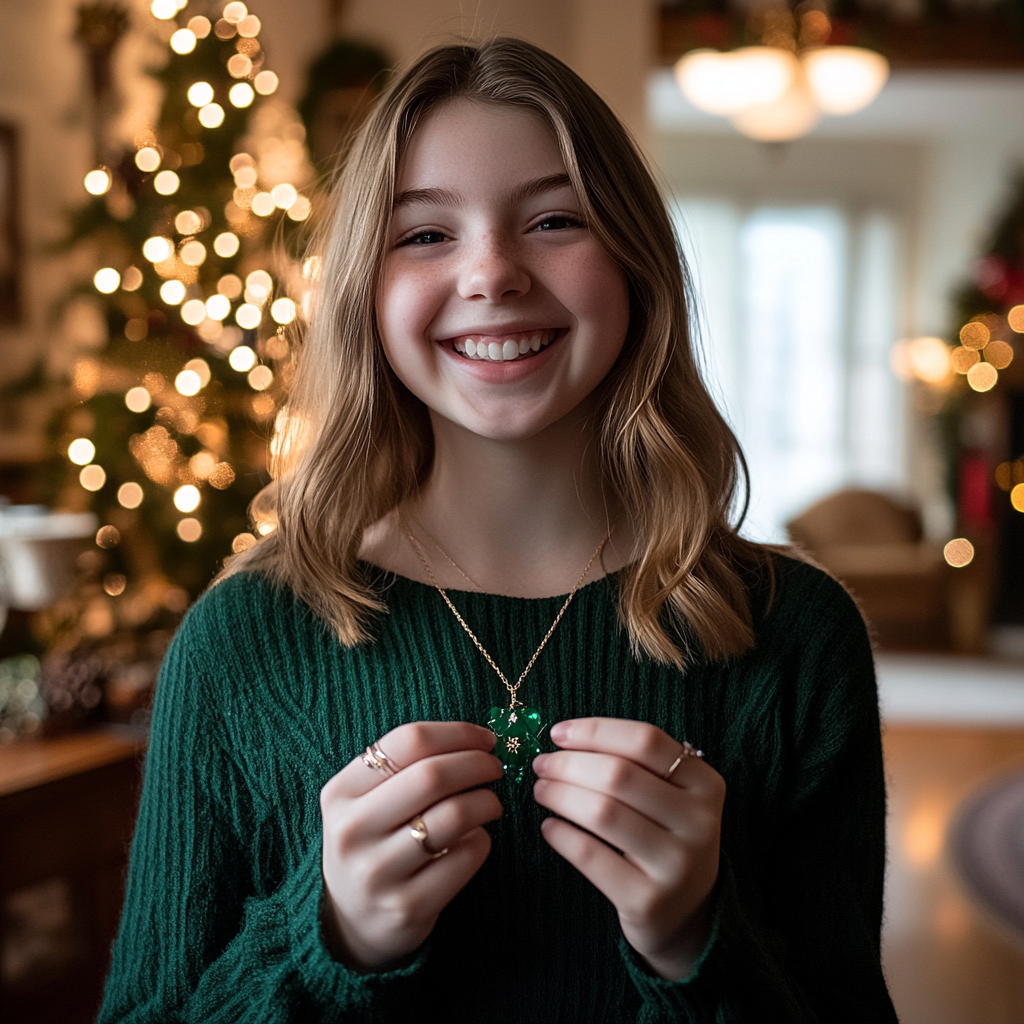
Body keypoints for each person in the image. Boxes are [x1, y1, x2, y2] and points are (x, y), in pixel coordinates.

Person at [99, 38, 899, 1024]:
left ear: (635, 263)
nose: (492, 273)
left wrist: (698, 942)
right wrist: (330, 940)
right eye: (426, 234)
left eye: (555, 219)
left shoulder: (796, 638)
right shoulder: (240, 647)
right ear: (365, 293)